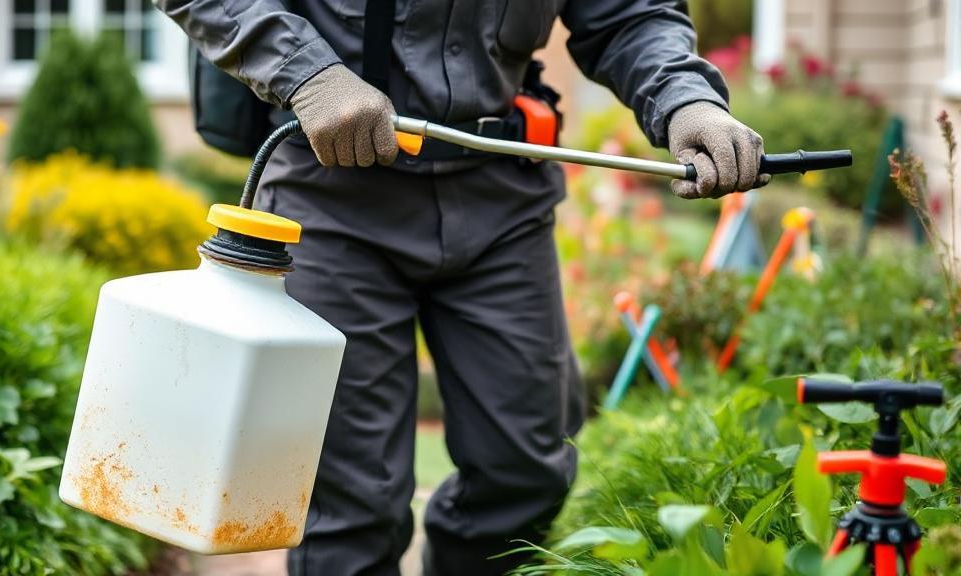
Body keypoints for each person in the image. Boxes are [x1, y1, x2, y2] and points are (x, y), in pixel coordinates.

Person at [158, 1, 767, 574]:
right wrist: (309, 74)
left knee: (526, 469)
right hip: (332, 191)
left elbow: (629, 13)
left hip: (501, 192)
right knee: (349, 502)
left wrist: (687, 99)